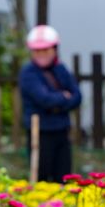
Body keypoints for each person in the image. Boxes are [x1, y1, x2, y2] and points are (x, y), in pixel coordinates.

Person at [19, 24, 82, 183]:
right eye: (37, 50)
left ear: (54, 49)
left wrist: (58, 101)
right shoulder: (28, 73)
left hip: (61, 130)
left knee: (64, 177)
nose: (41, 54)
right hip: (40, 132)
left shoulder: (60, 68)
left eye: (45, 50)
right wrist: (64, 97)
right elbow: (44, 100)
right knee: (41, 178)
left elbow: (77, 97)